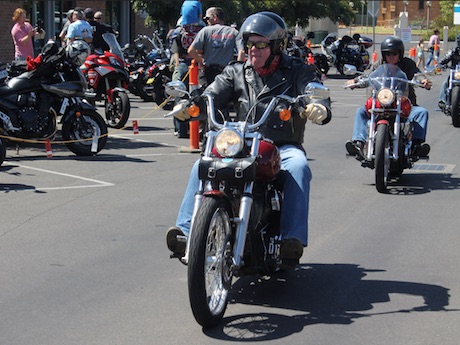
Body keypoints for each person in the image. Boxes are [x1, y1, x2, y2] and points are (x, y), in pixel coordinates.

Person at [166, 12, 332, 265]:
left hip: (281, 145)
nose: (254, 50)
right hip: (242, 142)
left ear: (277, 46)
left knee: (299, 166)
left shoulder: (298, 70)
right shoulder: (236, 72)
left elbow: (313, 90)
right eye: (250, 44)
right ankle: (187, 230)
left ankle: (291, 239)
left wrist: (317, 105)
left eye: (261, 44)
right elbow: (212, 93)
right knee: (202, 165)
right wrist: (192, 104)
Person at [345, 36, 431, 159]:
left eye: (394, 53)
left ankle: (416, 146)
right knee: (361, 112)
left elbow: (417, 75)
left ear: (400, 53)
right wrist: (355, 81)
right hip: (380, 103)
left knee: (422, 112)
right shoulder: (378, 64)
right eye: (387, 53)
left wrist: (423, 81)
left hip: (402, 104)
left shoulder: (408, 64)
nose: (391, 56)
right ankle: (358, 143)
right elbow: (368, 76)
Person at [187, 7, 244, 85]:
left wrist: (201, 61)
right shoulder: (234, 32)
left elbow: (191, 51)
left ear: (215, 17)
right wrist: (237, 69)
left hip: (208, 73)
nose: (206, 21)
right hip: (226, 73)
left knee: (206, 95)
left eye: (207, 18)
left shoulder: (205, 31)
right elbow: (241, 52)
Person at [438, 34, 460, 111]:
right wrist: (441, 65)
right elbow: (444, 60)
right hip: (455, 74)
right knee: (445, 83)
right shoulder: (453, 51)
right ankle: (442, 101)